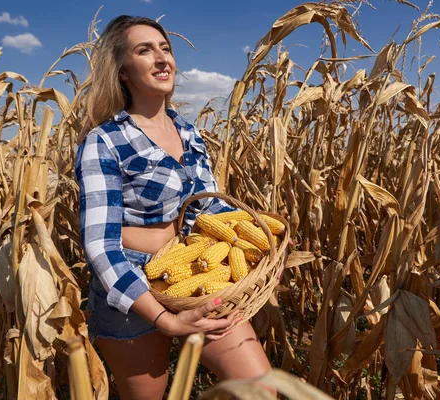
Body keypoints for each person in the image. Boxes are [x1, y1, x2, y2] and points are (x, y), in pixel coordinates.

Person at [75, 15, 273, 400]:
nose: (162, 58)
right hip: (133, 291)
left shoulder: (188, 131)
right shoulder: (105, 141)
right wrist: (164, 318)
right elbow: (100, 244)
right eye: (144, 50)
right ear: (122, 72)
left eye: (165, 48)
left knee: (261, 388)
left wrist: (255, 255)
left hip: (197, 280)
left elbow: (210, 209)